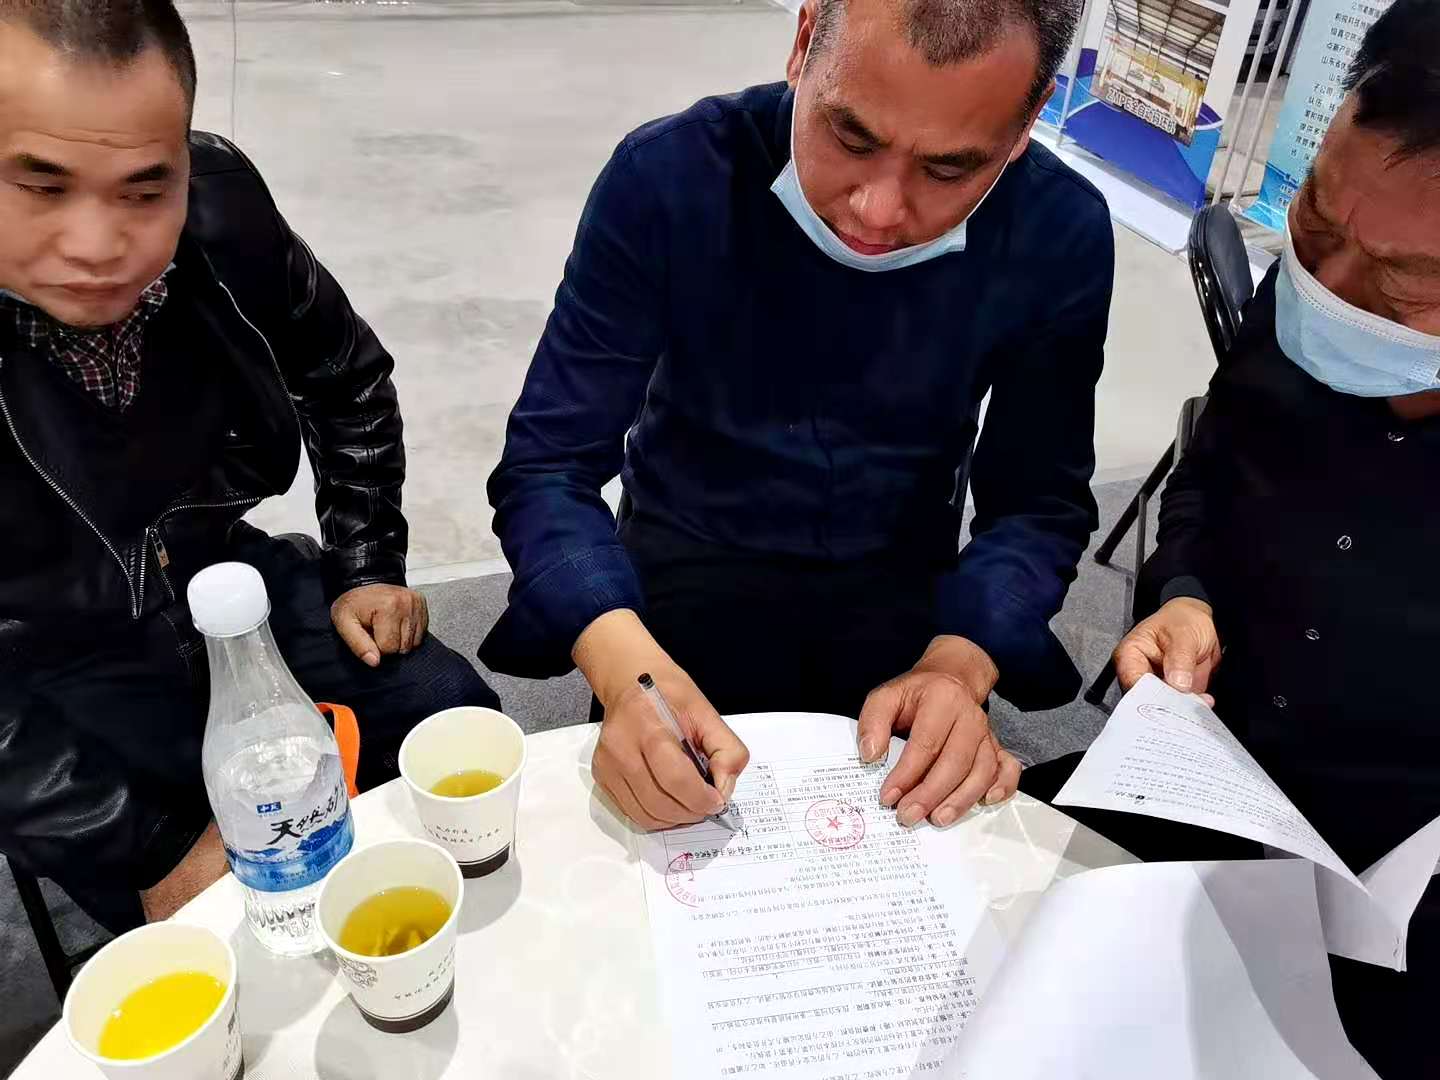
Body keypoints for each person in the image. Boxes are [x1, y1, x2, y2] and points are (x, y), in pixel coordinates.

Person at [483, 0, 1113, 832]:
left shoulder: (1057, 231)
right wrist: (622, 666)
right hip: (673, 588)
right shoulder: (672, 176)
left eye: (950, 169)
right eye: (851, 136)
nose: (878, 210)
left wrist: (960, 666)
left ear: (1028, 123)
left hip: (908, 602)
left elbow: (1037, 503)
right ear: (805, 41)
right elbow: (548, 465)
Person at [0, 0, 499, 931]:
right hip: (48, 668)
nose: (98, 245)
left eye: (144, 191)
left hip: (224, 582)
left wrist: (365, 562)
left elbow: (345, 376)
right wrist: (146, 847)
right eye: (41, 185)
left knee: (449, 720)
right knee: (227, 923)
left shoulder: (223, 213)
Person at [1022, 0, 1440, 1070]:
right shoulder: (1299, 304)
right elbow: (1205, 481)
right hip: (1205, 792)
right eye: (1317, 223)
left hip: (1399, 923)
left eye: (1404, 286)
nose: (1331, 295)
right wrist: (1184, 595)